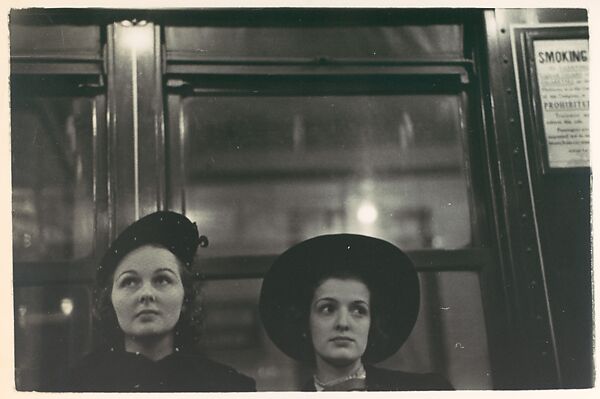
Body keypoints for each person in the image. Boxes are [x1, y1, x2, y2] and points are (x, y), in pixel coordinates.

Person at [60, 211, 256, 392]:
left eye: (162, 280)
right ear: (109, 299)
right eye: (129, 281)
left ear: (185, 297)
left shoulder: (228, 387)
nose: (146, 294)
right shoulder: (75, 387)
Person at [259, 233, 453, 391]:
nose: (343, 322)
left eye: (359, 310)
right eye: (327, 309)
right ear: (305, 322)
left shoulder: (427, 391)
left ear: (372, 324)